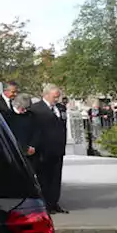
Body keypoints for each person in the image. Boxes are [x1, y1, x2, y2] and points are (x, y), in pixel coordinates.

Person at [29, 84, 69, 214]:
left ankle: (54, 202)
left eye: (58, 97)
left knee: (56, 178)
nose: (56, 99)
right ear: (46, 95)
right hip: (44, 151)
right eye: (54, 97)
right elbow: (34, 130)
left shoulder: (60, 108)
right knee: (44, 178)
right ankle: (45, 204)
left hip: (58, 149)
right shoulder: (36, 109)